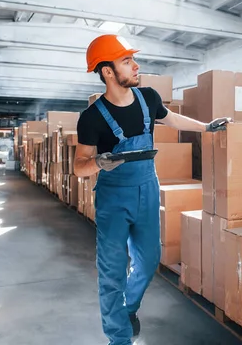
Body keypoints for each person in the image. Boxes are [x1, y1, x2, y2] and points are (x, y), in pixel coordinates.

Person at [73, 35, 232, 345]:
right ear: (107, 71)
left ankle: (128, 308)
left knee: (149, 259)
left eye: (133, 59)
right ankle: (119, 338)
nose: (136, 65)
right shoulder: (91, 118)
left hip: (147, 188)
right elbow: (79, 165)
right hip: (113, 198)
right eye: (127, 61)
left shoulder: (148, 98)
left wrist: (207, 127)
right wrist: (99, 164)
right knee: (112, 271)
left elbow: (172, 119)